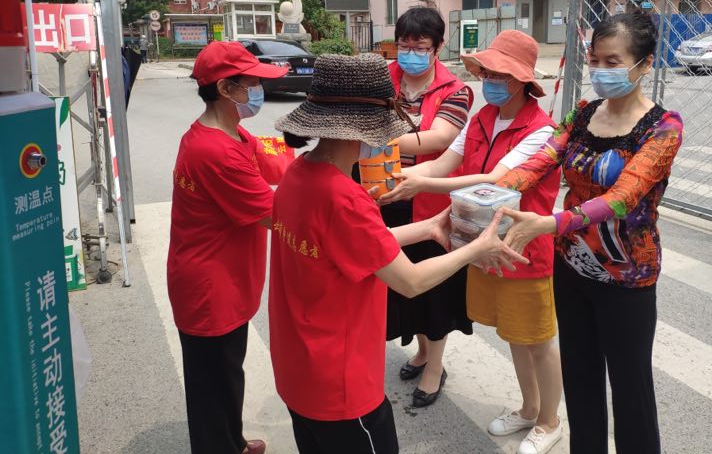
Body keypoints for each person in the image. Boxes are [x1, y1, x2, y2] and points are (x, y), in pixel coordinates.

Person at [269, 53, 527, 454]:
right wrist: (477, 247)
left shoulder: (299, 175)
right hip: (340, 383)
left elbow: (358, 246)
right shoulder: (345, 198)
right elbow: (411, 280)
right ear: (367, 131)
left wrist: (429, 227)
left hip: (297, 367)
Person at [497, 11, 684, 454]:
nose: (600, 71)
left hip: (627, 278)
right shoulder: (582, 114)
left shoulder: (663, 127)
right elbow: (540, 162)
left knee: (631, 388)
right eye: (595, 60)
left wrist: (549, 223)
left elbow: (622, 197)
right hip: (572, 267)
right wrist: (489, 193)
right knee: (580, 378)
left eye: (612, 62)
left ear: (645, 64)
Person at [379, 30, 564, 454]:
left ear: (522, 80)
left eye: (500, 74)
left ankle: (550, 421)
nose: (489, 80)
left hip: (522, 248)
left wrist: (425, 183)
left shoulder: (541, 131)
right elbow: (444, 162)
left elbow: (496, 179)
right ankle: (529, 408)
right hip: (482, 243)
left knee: (538, 340)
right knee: (515, 335)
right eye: (487, 72)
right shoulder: (483, 118)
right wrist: (404, 177)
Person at [167, 41, 289, 454]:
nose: (258, 91)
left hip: (225, 281)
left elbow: (272, 158)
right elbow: (276, 215)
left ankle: (232, 441)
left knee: (226, 377)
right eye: (251, 83)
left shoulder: (229, 132)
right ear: (224, 88)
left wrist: (320, 151)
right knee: (213, 389)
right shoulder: (214, 151)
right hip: (211, 290)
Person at [379, 6, 474, 407]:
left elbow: (440, 138)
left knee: (434, 290)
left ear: (438, 47)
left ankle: (435, 366)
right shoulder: (382, 77)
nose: (411, 53)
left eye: (420, 47)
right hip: (382, 196)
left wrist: (375, 136)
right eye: (404, 45)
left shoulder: (456, 89)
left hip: (429, 203)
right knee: (403, 287)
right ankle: (420, 352)